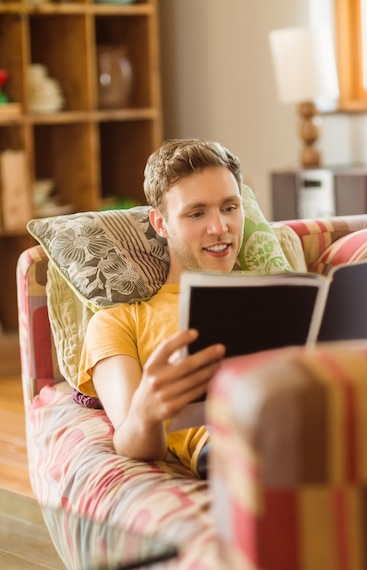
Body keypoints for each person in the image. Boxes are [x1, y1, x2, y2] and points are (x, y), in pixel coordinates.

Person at [78, 138, 245, 479]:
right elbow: (131, 440)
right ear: (160, 223)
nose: (220, 228)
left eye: (229, 208)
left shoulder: (286, 293)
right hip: (235, 445)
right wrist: (147, 411)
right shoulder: (119, 321)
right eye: (197, 213)